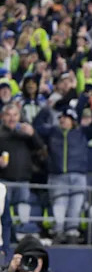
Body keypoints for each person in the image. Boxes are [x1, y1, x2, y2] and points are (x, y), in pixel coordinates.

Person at [36, 107, 92, 243]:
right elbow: (37, 126)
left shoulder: (81, 132)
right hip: (57, 176)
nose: (62, 120)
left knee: (76, 207)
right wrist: (46, 108)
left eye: (66, 118)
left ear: (72, 120)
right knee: (59, 206)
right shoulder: (53, 131)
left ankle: (72, 234)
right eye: (61, 118)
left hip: (78, 176)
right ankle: (58, 233)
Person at [0, 103, 45, 249]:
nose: (12, 118)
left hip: (24, 180)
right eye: (8, 115)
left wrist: (33, 134)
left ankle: (21, 241)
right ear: (2, 117)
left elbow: (40, 148)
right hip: (3, 181)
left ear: (20, 117)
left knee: (23, 212)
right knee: (3, 214)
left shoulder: (26, 133)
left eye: (15, 115)